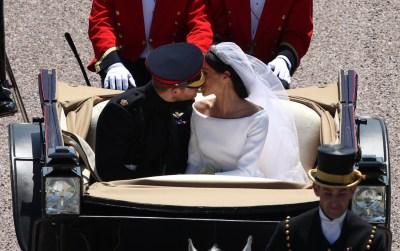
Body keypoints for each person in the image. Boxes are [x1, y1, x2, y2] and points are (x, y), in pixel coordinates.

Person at [185, 42, 308, 183]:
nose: (199, 79)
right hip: (201, 188)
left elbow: (246, 172)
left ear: (225, 76)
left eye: (205, 73)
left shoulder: (257, 118)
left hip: (243, 188)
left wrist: (207, 180)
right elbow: (194, 163)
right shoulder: (198, 110)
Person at [95, 42, 205, 181]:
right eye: (195, 85)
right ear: (175, 90)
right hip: (134, 190)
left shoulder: (185, 106)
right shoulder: (123, 112)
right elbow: (109, 169)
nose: (199, 89)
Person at [266, 144, 387, 250]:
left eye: (341, 193)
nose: (334, 201)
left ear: (352, 191)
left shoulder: (371, 238)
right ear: (316, 189)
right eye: (328, 193)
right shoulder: (290, 232)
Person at [88, 0, 213, 90]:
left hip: (171, 63)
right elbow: (101, 22)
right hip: (124, 61)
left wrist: (192, 61)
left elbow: (199, 25)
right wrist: (113, 64)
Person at [207, 0, 313, 88]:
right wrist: (219, 54)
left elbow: (298, 31)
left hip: (270, 62)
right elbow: (216, 21)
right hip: (229, 58)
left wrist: (284, 58)